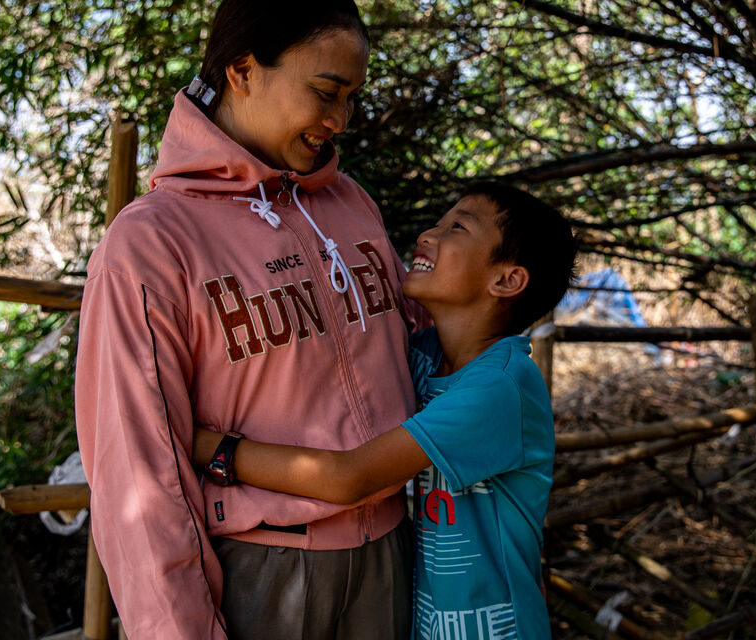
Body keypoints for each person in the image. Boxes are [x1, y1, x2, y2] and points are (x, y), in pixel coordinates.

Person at [75, 0, 426, 640]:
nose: (340, 120)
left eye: (351, 97)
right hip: (263, 578)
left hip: (394, 556)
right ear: (242, 70)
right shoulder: (153, 242)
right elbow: (139, 474)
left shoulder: (351, 205)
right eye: (326, 92)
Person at [193, 181, 578, 640]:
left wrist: (206, 445)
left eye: (456, 227)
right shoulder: (424, 355)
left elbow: (349, 477)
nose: (428, 235)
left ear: (506, 280)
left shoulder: (500, 388)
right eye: (438, 222)